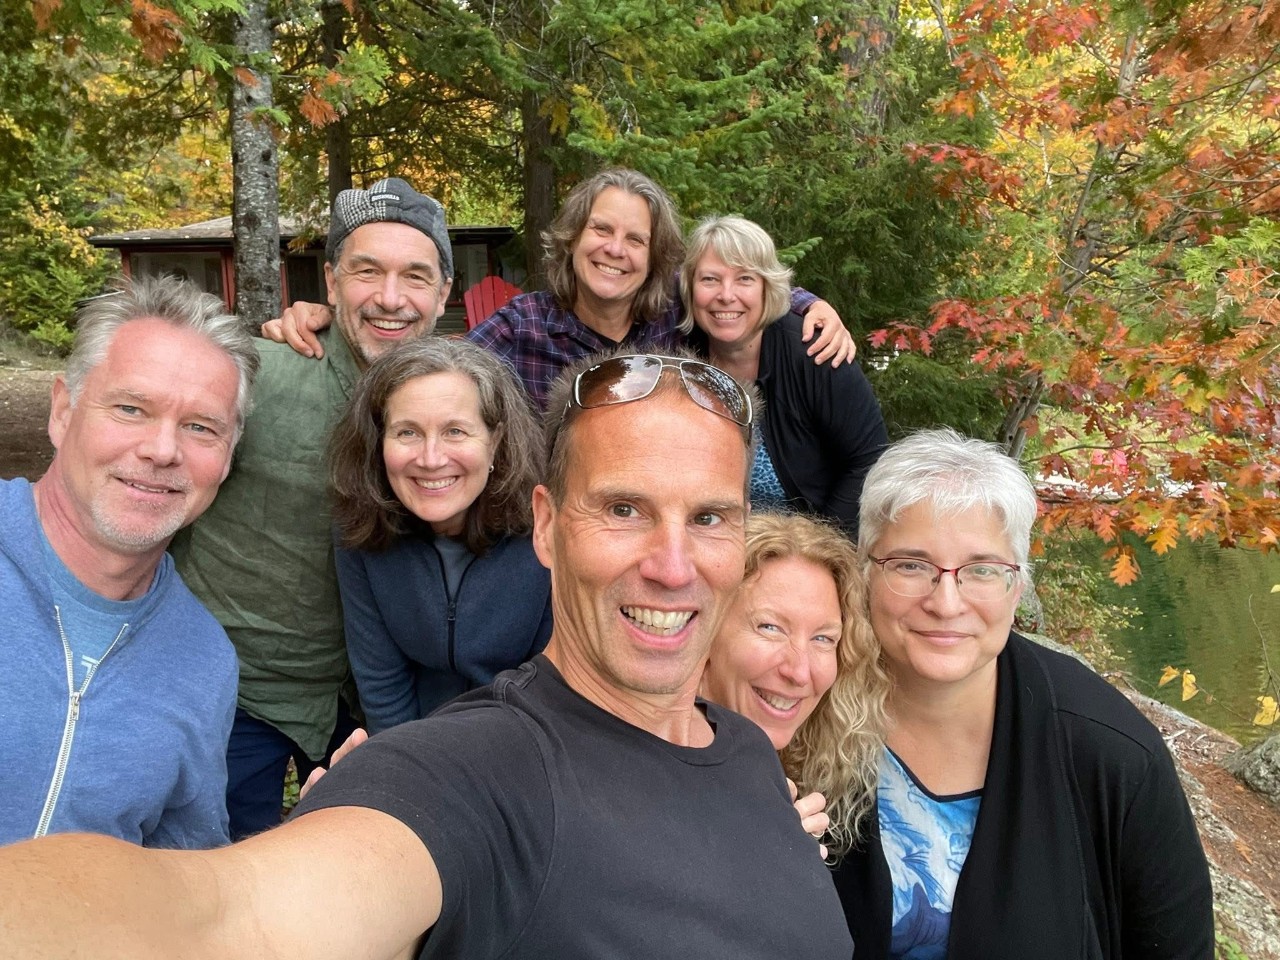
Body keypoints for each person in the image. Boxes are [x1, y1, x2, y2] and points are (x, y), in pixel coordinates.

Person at [0, 349, 854, 960]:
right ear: (548, 526)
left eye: (708, 517)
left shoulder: (746, 753)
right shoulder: (475, 777)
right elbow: (221, 919)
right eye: (624, 509)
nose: (672, 565)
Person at [831, 428, 1214, 959]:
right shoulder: (807, 706)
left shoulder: (1113, 755)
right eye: (911, 565)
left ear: (1018, 585)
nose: (946, 602)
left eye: (983, 570)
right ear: (865, 570)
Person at [169, 177, 454, 840]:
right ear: (331, 283)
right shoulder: (257, 379)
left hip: (375, 700)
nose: (390, 297)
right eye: (366, 271)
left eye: (415, 275)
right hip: (237, 697)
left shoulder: (462, 404)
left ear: (444, 292)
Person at [0, 274, 259, 848]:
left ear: (227, 457)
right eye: (131, 408)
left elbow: (179, 871)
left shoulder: (203, 661)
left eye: (200, 427)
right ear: (63, 412)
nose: (163, 450)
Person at [263, 167, 857, 410]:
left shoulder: (672, 318)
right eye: (601, 229)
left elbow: (735, 293)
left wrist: (809, 304)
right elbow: (436, 376)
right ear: (573, 239)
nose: (615, 249)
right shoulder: (518, 327)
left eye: (635, 239)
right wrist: (327, 313)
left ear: (655, 260)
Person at [327, 338, 551, 733]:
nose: (431, 459)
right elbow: (381, 681)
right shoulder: (358, 527)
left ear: (495, 440)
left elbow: (549, 685)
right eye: (407, 433)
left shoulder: (547, 528)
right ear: (379, 442)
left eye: (455, 432)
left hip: (524, 740)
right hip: (416, 739)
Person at [681, 215, 887, 537]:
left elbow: (869, 460)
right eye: (710, 279)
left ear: (768, 288)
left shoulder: (815, 351)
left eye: (745, 279)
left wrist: (822, 548)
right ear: (690, 289)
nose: (725, 295)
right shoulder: (677, 356)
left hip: (804, 550)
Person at [700, 511, 888, 858]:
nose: (799, 671)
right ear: (704, 628)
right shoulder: (635, 769)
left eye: (823, 638)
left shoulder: (798, 784)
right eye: (770, 628)